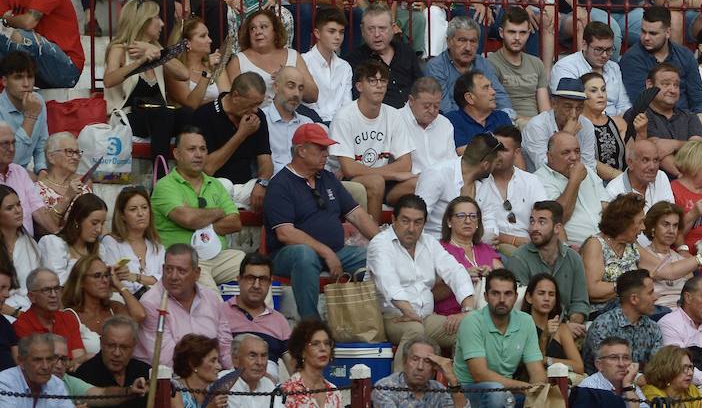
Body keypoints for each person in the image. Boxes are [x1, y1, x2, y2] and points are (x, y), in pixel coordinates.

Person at [262, 123, 380, 321]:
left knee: (373, 255)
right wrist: (325, 252)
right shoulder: (280, 184)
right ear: (301, 150)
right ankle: (311, 324)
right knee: (304, 254)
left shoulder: (327, 178)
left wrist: (385, 244)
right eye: (321, 148)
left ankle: (379, 315)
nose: (327, 153)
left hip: (337, 251)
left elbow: (357, 215)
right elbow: (285, 233)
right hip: (288, 255)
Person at [366, 194, 474, 353]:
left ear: (424, 223)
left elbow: (455, 271)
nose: (411, 228)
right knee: (415, 330)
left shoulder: (429, 242)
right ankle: (400, 371)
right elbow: (388, 284)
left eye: (417, 222)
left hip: (425, 318)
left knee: (470, 328)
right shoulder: (380, 243)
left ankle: (455, 370)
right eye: (405, 221)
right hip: (391, 317)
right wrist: (409, 312)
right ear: (394, 219)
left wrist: (468, 311)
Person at [149, 127, 246, 285]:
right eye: (191, 149)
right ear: (177, 154)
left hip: (217, 256)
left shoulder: (215, 184)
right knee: (208, 291)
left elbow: (235, 223)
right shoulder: (165, 186)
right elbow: (188, 219)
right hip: (183, 261)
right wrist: (218, 212)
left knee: (253, 270)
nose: (199, 154)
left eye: (203, 149)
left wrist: (201, 224)